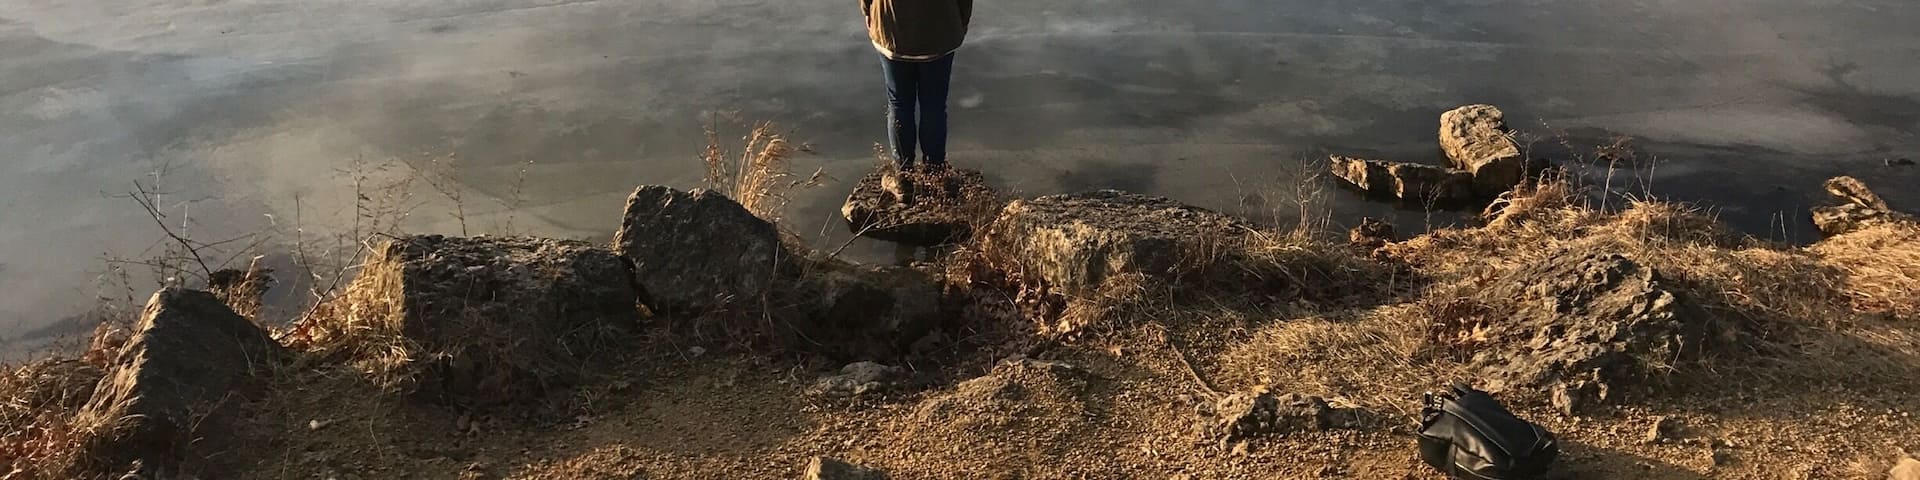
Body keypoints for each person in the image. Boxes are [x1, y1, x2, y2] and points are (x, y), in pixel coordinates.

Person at [863, 0, 972, 171]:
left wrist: (868, 11)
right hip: (939, 30)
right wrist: (962, 20)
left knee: (899, 104)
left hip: (891, 26)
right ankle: (935, 172)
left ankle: (903, 177)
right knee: (934, 106)